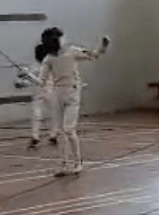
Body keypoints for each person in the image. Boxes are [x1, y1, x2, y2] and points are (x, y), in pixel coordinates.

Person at [26, 28, 109, 176]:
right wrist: (29, 77)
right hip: (58, 95)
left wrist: (102, 47)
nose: (64, 39)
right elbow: (42, 81)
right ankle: (64, 165)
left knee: (69, 129)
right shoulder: (49, 59)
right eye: (60, 37)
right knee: (60, 132)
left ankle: (78, 163)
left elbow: (92, 55)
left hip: (72, 94)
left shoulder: (72, 51)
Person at [16, 39, 58, 149]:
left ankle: (53, 135)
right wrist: (22, 81)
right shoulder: (34, 66)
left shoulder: (50, 65)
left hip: (51, 92)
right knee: (36, 115)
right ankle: (35, 137)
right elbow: (30, 82)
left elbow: (40, 81)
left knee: (53, 114)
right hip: (38, 93)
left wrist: (27, 75)